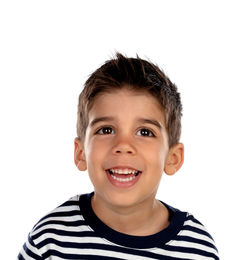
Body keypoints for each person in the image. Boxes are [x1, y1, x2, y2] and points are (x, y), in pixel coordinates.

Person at [18, 53, 219, 259]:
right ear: (80, 153)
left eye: (145, 132)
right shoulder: (50, 240)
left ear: (172, 158)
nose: (123, 146)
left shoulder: (197, 249)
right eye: (106, 130)